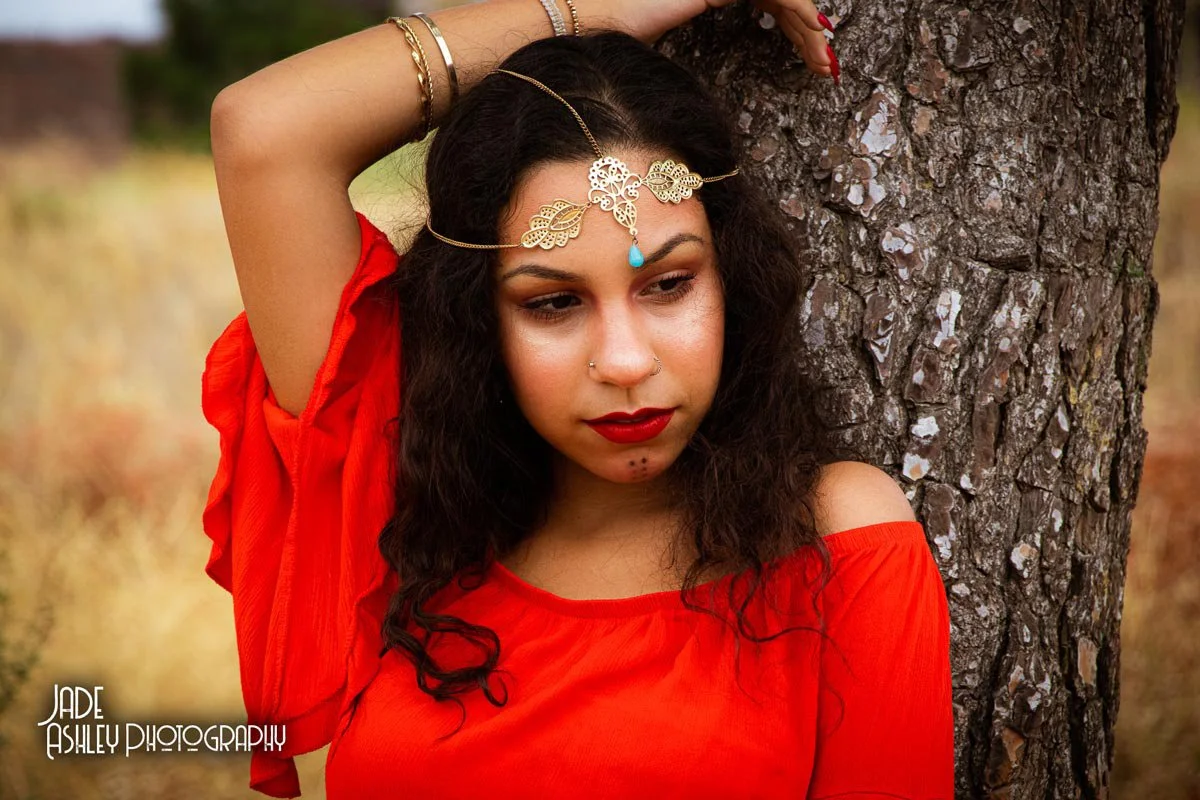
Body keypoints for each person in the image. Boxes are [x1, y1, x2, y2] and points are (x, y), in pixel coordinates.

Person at [201, 1, 952, 798]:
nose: (624, 362)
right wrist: (605, 11)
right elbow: (266, 131)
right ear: (479, 319)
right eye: (553, 303)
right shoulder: (408, 506)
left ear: (733, 280)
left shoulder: (832, 541)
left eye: (669, 285)